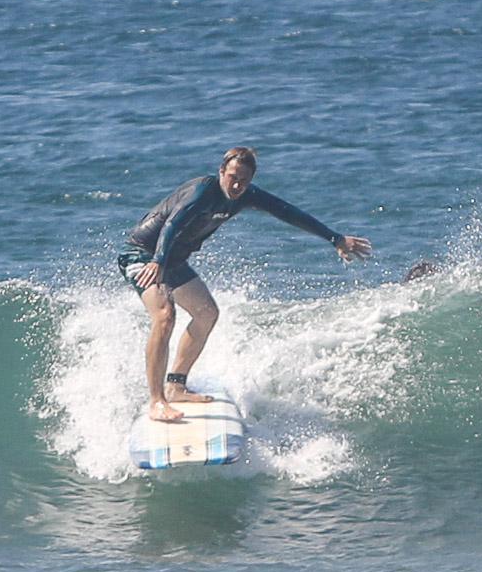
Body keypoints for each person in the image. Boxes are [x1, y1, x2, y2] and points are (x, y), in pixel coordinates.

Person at [119, 146, 372, 421]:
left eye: (244, 180)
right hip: (143, 253)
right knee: (165, 316)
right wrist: (157, 260)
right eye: (232, 177)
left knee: (206, 313)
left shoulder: (245, 195)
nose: (237, 185)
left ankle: (176, 386)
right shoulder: (203, 191)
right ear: (221, 172)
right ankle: (156, 401)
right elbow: (172, 224)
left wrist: (334, 238)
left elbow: (287, 211)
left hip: (172, 261)